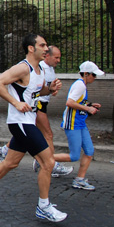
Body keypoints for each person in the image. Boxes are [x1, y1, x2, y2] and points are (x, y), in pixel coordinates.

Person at [0, 34, 67, 222]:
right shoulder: (23, 67)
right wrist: (16, 103)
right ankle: (43, 207)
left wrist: (51, 88)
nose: (46, 48)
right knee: (48, 163)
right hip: (20, 122)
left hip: (28, 121)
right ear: (31, 48)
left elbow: (37, 91)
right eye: (42, 45)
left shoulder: (39, 70)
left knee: (11, 163)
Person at [52, 61, 104, 191]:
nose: (95, 78)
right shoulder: (80, 85)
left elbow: (78, 102)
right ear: (86, 74)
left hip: (80, 123)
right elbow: (69, 102)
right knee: (74, 156)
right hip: (73, 124)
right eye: (93, 75)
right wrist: (88, 109)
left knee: (89, 151)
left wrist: (90, 105)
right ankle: (45, 160)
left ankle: (79, 180)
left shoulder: (82, 85)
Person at [32, 46, 73, 177]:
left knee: (30, 135)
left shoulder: (50, 68)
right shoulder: (40, 67)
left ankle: (3, 151)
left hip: (43, 104)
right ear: (47, 56)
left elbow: (48, 90)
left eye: (59, 57)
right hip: (37, 104)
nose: (58, 60)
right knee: (48, 134)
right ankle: (51, 164)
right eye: (56, 57)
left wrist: (53, 90)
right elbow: (35, 87)